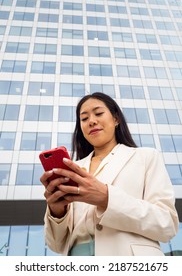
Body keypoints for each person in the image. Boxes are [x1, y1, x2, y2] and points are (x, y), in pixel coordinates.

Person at [40, 92, 179, 256]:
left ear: (116, 119)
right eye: (84, 119)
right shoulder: (73, 169)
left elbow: (166, 224)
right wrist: (57, 212)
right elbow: (56, 245)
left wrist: (107, 198)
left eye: (98, 113)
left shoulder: (146, 157)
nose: (91, 121)